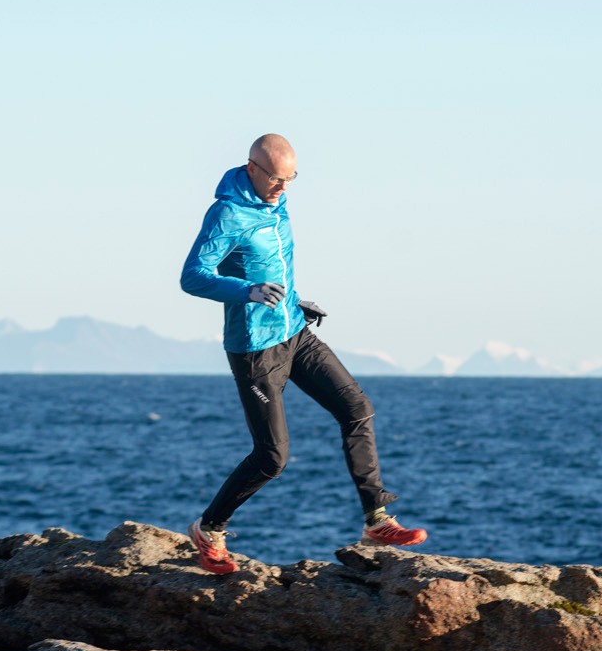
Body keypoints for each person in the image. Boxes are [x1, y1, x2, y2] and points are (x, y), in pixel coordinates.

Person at [179, 133, 427, 574]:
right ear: (252, 168)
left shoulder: (277, 204)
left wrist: (295, 300)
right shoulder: (227, 214)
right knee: (272, 458)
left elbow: (275, 265)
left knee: (357, 408)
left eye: (291, 179)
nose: (283, 187)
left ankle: (377, 520)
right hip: (256, 349)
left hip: (294, 331)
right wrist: (247, 291)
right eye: (276, 178)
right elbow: (193, 276)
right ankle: (209, 528)